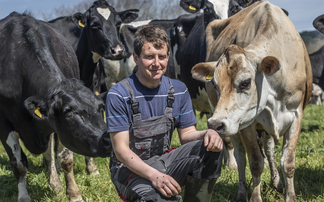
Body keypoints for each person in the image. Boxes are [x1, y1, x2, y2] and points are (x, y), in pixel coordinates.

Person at [106, 25, 223, 202]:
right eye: (149, 57)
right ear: (136, 58)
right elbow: (121, 149)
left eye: (161, 57)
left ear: (169, 56)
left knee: (210, 148)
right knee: (158, 198)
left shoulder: (179, 90)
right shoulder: (119, 94)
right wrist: (154, 176)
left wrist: (208, 133)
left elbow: (187, 135)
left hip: (163, 161)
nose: (156, 63)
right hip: (128, 171)